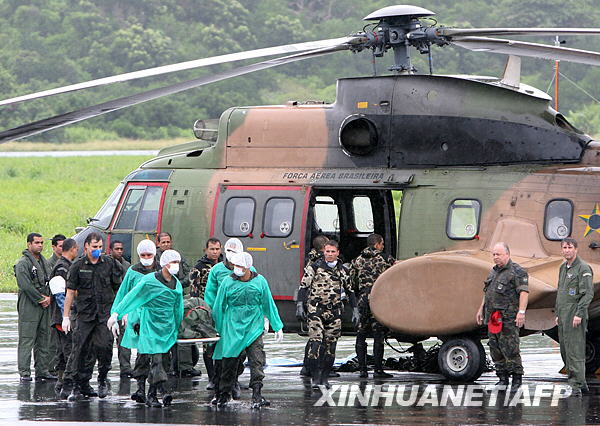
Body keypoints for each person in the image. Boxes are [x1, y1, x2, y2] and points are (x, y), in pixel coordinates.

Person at [108, 249, 184, 408]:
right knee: (154, 358)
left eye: (177, 262)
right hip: (150, 323)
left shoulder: (176, 284)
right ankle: (151, 394)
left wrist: (177, 328)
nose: (175, 265)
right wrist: (117, 314)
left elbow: (179, 308)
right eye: (173, 262)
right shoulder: (149, 280)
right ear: (164, 263)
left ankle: (158, 391)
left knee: (164, 359)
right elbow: (132, 296)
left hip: (167, 326)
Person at [212, 252, 283, 408]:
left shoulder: (260, 281)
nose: (236, 269)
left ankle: (257, 394)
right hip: (232, 326)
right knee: (229, 361)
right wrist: (217, 327)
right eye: (235, 266)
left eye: (239, 266)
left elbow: (268, 304)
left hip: (253, 327)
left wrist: (277, 326)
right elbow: (219, 306)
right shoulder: (227, 282)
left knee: (256, 359)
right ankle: (224, 394)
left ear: (248, 267)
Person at [61, 232, 123, 400]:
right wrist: (66, 317)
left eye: (100, 247)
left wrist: (120, 312)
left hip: (104, 316)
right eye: (94, 247)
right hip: (84, 315)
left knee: (104, 347)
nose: (97, 250)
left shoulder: (110, 263)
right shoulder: (78, 265)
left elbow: (120, 288)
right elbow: (70, 293)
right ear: (86, 246)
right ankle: (77, 385)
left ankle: (103, 379)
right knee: (80, 350)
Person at [296, 240, 358, 389]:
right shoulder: (314, 268)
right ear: (323, 252)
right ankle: (315, 377)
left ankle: (325, 377)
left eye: (332, 252)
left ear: (337, 253)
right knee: (316, 343)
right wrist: (300, 305)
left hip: (334, 311)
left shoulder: (343, 270)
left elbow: (350, 291)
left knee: (331, 345)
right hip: (316, 310)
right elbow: (303, 287)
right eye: (327, 251)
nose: (329, 255)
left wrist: (355, 309)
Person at [111, 239, 160, 403]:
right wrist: (117, 314)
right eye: (143, 255)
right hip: (138, 317)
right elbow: (124, 294)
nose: (146, 257)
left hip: (157, 317)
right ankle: (140, 388)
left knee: (158, 356)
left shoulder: (161, 270)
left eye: (149, 254)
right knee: (142, 353)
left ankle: (154, 391)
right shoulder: (133, 272)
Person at [476, 242, 529, 388]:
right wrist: (481, 309)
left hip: (508, 318)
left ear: (507, 254)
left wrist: (521, 312)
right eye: (493, 254)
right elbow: (487, 292)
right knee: (495, 346)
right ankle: (502, 377)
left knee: (510, 347)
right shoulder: (493, 272)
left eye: (498, 254)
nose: (495, 257)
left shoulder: (517, 271)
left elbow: (524, 292)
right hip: (493, 317)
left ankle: (517, 378)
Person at [204, 237, 250, 397]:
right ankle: (218, 382)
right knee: (219, 350)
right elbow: (210, 294)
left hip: (240, 317)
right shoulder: (216, 270)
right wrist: (212, 314)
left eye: (235, 251)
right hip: (221, 316)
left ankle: (234, 380)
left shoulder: (248, 269)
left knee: (240, 351)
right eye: (228, 251)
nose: (231, 255)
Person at [350, 233, 396, 378]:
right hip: (378, 299)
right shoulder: (385, 259)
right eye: (382, 244)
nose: (383, 247)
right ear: (377, 244)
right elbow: (396, 275)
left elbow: (353, 282)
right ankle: (378, 369)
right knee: (378, 334)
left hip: (363, 299)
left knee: (361, 334)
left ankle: (362, 370)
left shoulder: (357, 260)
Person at [555, 237, 594, 397]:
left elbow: (588, 294)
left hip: (574, 315)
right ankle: (580, 383)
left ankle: (577, 385)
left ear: (576, 249)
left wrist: (579, 314)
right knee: (565, 350)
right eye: (564, 247)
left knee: (575, 351)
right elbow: (560, 293)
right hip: (563, 316)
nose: (567, 250)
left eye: (569, 247)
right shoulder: (563, 268)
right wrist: (558, 314)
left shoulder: (583, 268)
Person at [15, 233, 55, 382]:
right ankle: (24, 372)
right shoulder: (23, 263)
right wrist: (40, 299)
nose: (40, 245)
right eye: (37, 242)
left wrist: (49, 298)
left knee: (44, 338)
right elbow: (24, 284)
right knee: (27, 339)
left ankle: (42, 370)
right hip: (30, 305)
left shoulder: (45, 262)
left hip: (45, 305)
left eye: (41, 243)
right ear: (29, 244)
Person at [187, 238, 223, 383]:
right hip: (205, 310)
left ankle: (225, 377)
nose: (215, 252)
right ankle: (212, 378)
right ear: (206, 250)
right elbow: (193, 292)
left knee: (223, 343)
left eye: (217, 249)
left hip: (222, 309)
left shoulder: (225, 265)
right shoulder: (198, 268)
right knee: (208, 344)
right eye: (212, 249)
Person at [48, 238, 79, 395]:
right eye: (76, 249)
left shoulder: (65, 265)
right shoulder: (62, 268)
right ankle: (69, 383)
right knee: (69, 350)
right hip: (62, 318)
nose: (78, 251)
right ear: (72, 249)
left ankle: (61, 382)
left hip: (60, 317)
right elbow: (60, 295)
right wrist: (67, 315)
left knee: (62, 351)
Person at [299, 235, 329, 377]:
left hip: (312, 301)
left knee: (314, 337)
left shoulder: (313, 260)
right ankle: (312, 367)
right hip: (316, 303)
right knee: (317, 338)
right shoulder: (318, 263)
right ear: (323, 248)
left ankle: (308, 366)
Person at [108, 239, 132, 378]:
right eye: (116, 249)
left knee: (124, 338)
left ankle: (126, 367)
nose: (119, 251)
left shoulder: (127, 266)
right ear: (111, 250)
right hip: (109, 304)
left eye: (121, 249)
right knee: (106, 340)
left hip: (122, 306)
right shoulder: (106, 264)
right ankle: (105, 366)